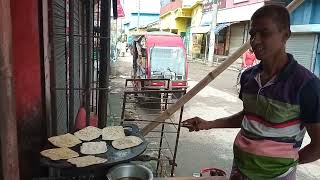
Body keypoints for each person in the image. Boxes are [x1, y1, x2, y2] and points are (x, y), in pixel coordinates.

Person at [182, 5, 320, 180]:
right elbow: (249, 117)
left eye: (264, 33)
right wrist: (208, 124)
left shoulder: (306, 85)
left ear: (285, 36)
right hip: (239, 170)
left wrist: (288, 162)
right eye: (252, 34)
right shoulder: (248, 77)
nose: (255, 41)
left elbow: (318, 145)